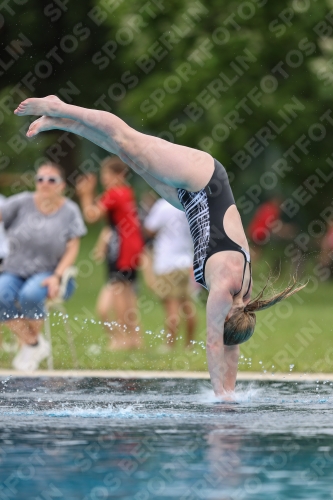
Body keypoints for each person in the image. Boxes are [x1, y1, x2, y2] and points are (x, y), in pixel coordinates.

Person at [14, 96, 306, 397]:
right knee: (128, 139)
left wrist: (229, 395)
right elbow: (214, 343)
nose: (217, 319)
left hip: (187, 201)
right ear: (231, 314)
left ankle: (64, 124)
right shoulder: (224, 287)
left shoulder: (241, 297)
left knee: (125, 154)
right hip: (203, 180)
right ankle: (59, 106)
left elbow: (230, 350)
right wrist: (221, 398)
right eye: (222, 321)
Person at [0, 162, 87, 370]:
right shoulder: (21, 202)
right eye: (40, 179)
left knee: (30, 295)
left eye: (51, 180)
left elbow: (73, 247)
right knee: (1, 293)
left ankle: (30, 346)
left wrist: (57, 276)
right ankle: (33, 343)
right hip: (15, 269)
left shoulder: (70, 210)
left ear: (61, 185)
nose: (45, 183)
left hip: (49, 272)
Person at [76, 156, 144, 350]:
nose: (104, 179)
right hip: (132, 247)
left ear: (120, 175)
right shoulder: (127, 192)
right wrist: (101, 244)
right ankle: (134, 338)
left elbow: (91, 215)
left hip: (122, 250)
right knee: (128, 295)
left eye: (107, 174)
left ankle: (122, 339)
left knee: (119, 294)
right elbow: (114, 224)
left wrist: (85, 194)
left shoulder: (115, 193)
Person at [144, 197, 197, 349]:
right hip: (186, 261)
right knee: (187, 306)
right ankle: (189, 344)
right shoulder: (189, 204)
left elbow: (149, 228)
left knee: (171, 306)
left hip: (167, 263)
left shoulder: (163, 205)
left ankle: (169, 345)